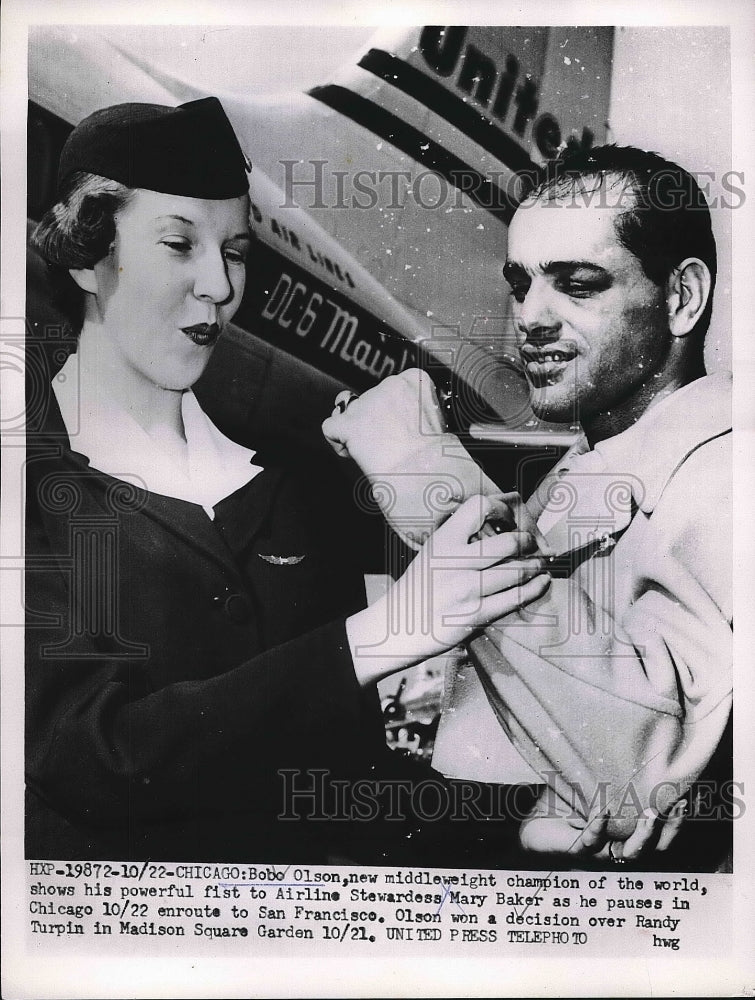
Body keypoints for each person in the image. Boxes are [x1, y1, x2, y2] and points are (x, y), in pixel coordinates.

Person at [25, 98, 552, 862]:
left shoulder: (290, 488)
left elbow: (339, 786)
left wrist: (522, 815)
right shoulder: (33, 489)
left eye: (235, 251)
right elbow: (89, 762)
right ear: (83, 255)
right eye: (179, 244)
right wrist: (387, 631)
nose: (218, 286)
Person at [323, 143, 733, 868]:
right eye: (520, 285)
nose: (529, 319)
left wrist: (423, 473)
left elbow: (650, 767)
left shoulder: (727, 472)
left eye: (575, 285)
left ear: (681, 298)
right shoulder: (592, 462)